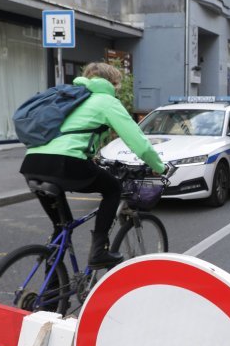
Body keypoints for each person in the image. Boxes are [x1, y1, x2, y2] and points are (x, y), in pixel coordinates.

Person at [19, 62, 167, 269]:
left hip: (32, 162)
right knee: (113, 188)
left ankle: (49, 297)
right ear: (113, 83)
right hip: (65, 162)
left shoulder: (71, 98)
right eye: (118, 85)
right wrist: (160, 167)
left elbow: (71, 134)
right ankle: (99, 252)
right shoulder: (106, 101)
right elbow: (139, 144)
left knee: (61, 228)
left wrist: (92, 159)